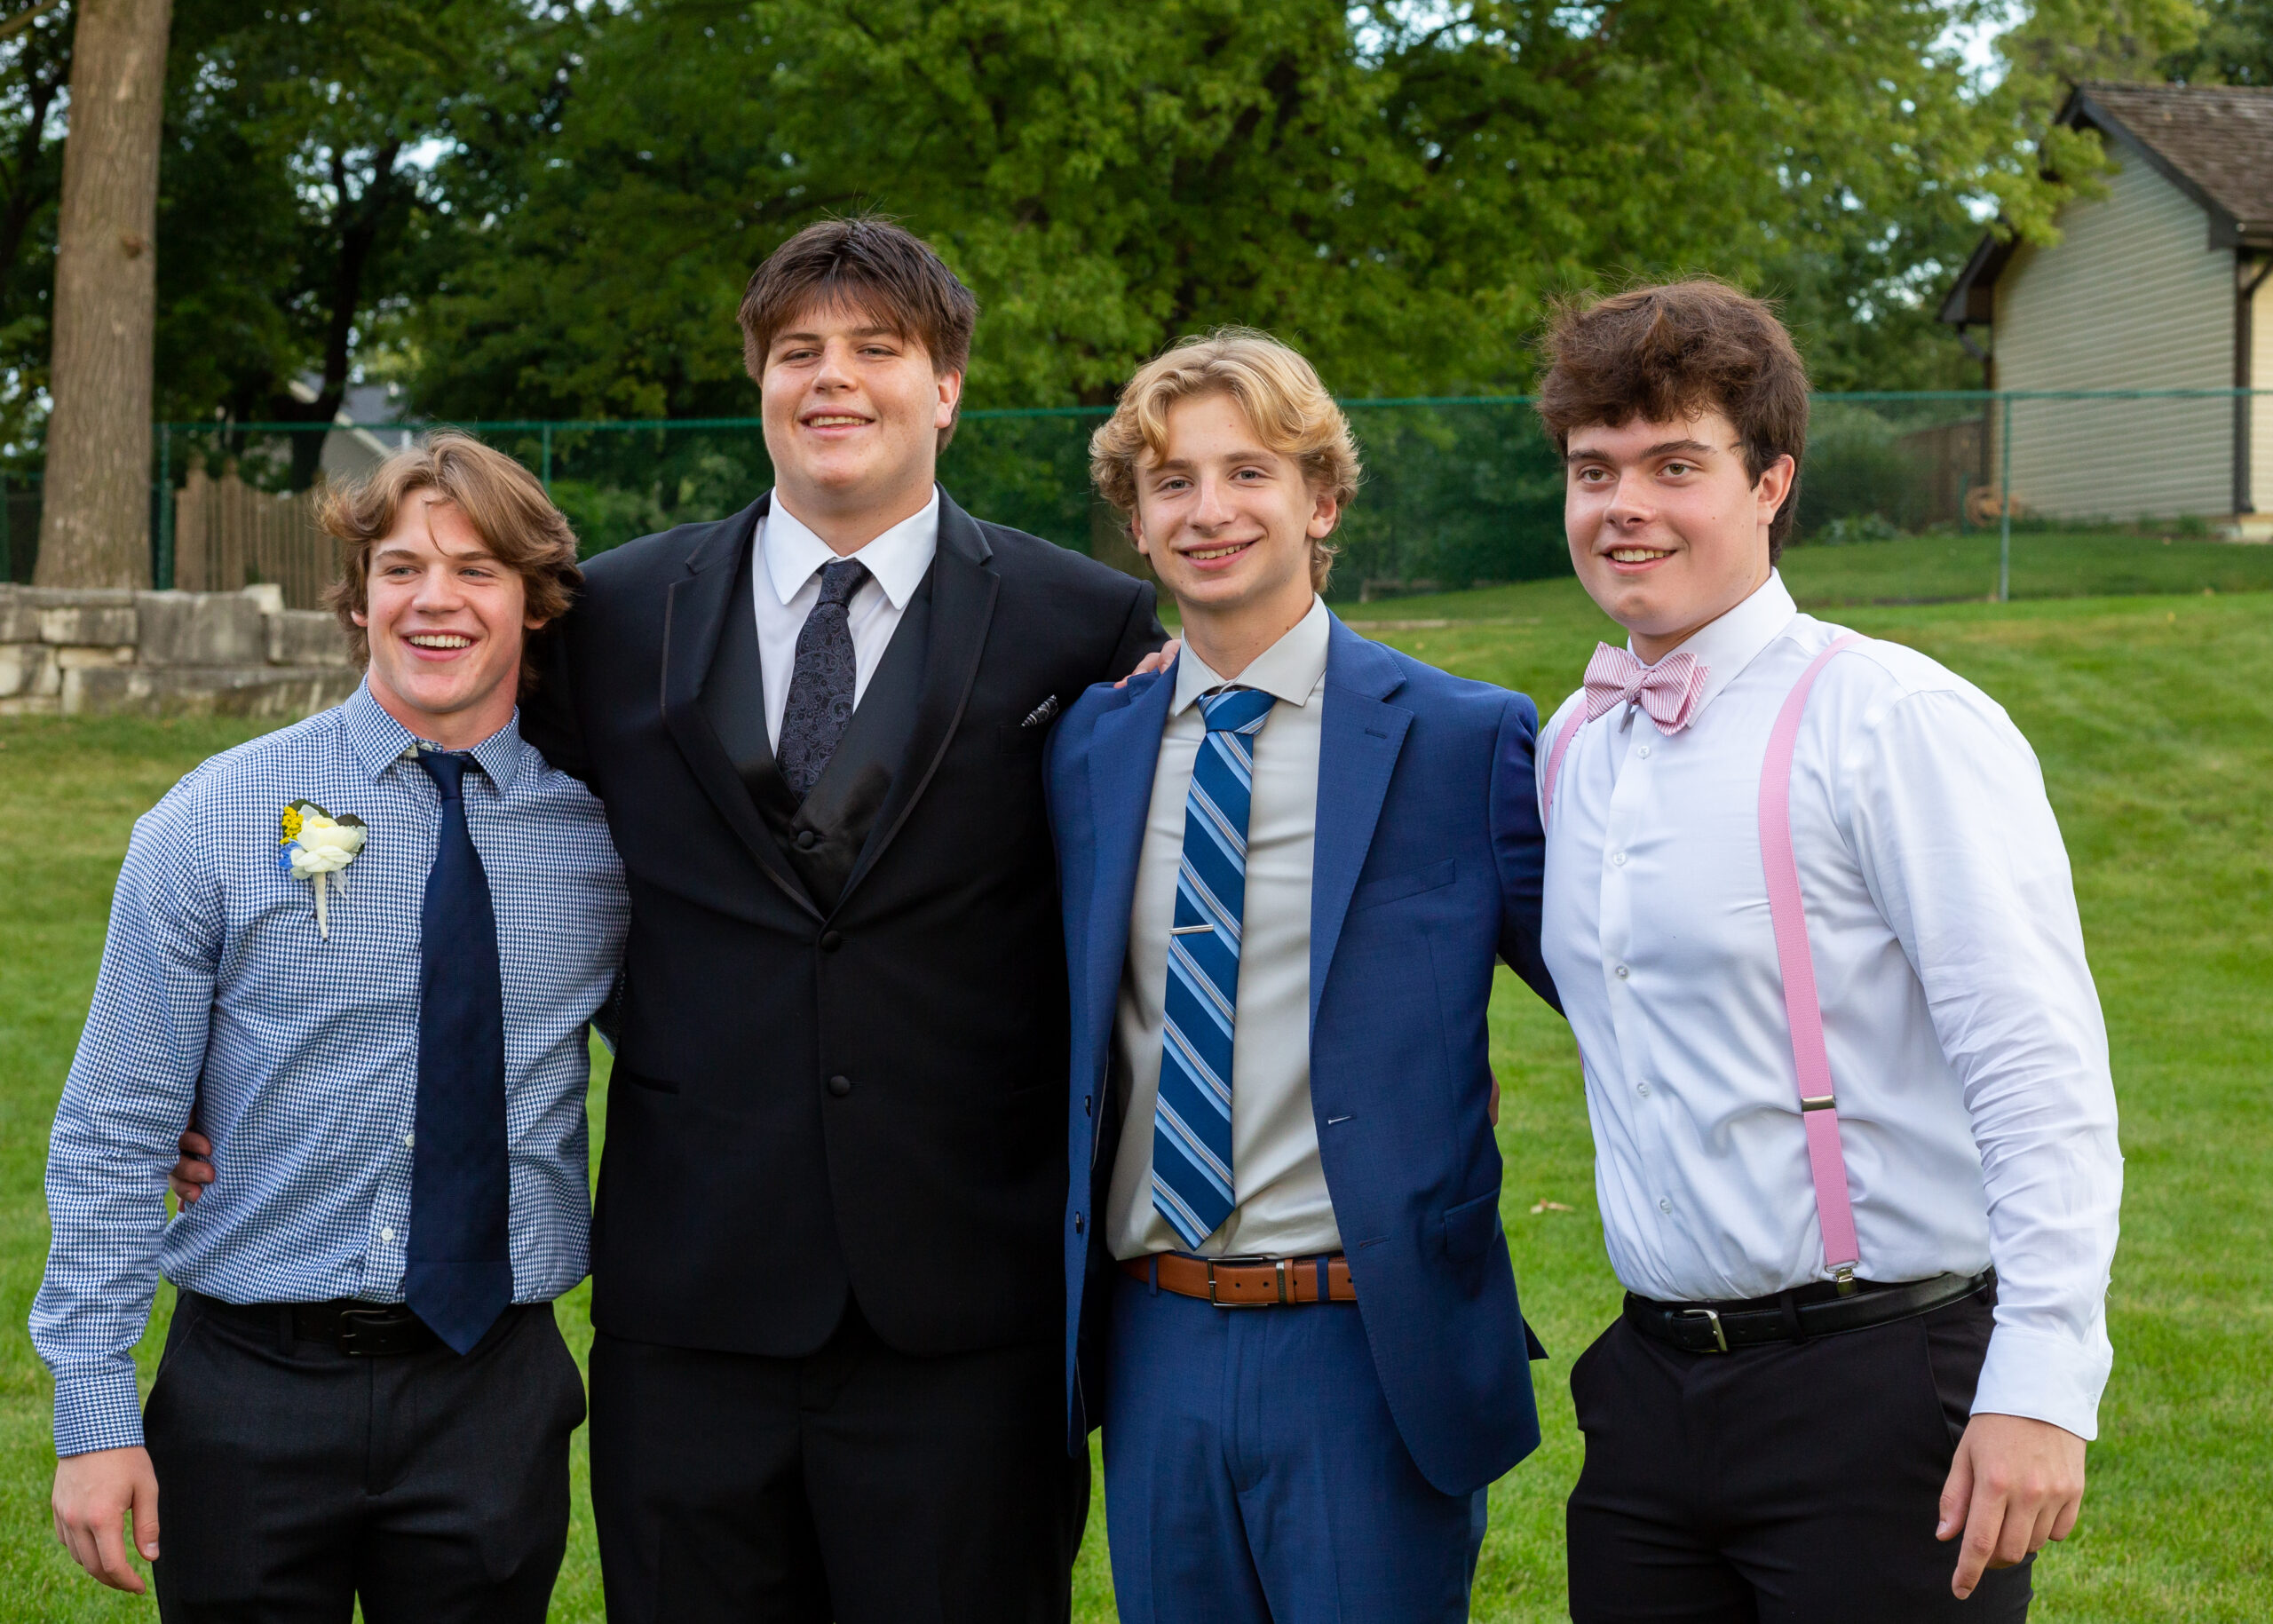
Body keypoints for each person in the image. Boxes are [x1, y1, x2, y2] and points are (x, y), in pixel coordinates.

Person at [513, 215, 1168, 1622]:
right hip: (691, 1299)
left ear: (947, 387)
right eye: (798, 350)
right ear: (758, 380)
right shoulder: (612, 614)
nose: (834, 378)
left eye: (879, 347)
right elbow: (489, 851)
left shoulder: (1087, 624)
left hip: (968, 1314)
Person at [1532, 281, 2123, 1620]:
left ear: (1770, 482)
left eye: (1675, 464)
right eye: (1594, 469)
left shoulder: (1892, 720)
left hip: (1880, 1378)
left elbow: (2037, 1071)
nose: (1624, 505)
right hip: (1647, 1392)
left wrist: (2041, 1383)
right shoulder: (1576, 745)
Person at [34, 432, 627, 1621]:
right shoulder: (212, 819)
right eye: (402, 568)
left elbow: (710, 1054)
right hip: (250, 1385)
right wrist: (93, 1415)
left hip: (492, 1390)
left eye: (477, 570)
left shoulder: (602, 838)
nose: (436, 599)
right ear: (358, 600)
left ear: (535, 603)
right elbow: (116, 1128)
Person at [1046, 330, 1561, 1624]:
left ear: (1321, 500)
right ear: (1136, 523)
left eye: (1249, 473)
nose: (1208, 510)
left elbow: (1614, 995)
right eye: (1171, 482)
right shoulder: (1088, 746)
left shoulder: (1460, 738)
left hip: (1365, 1336)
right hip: (1154, 1333)